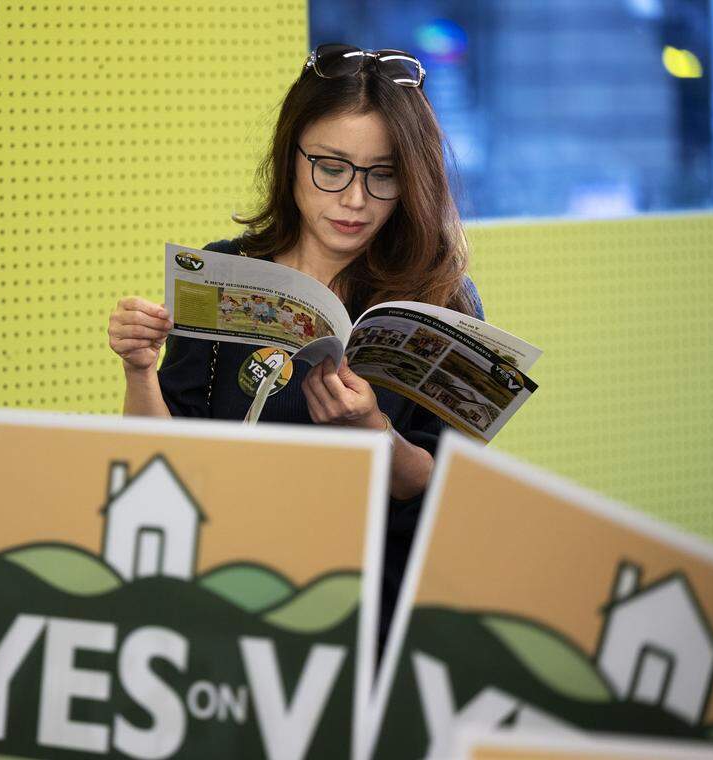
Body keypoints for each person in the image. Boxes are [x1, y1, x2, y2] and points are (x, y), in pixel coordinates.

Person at [105, 43, 484, 643]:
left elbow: (449, 491)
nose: (355, 200)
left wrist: (372, 432)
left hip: (368, 614)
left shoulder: (442, 298)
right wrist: (138, 371)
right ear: (291, 158)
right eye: (331, 168)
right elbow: (160, 464)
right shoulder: (224, 273)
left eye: (383, 175)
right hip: (222, 596)